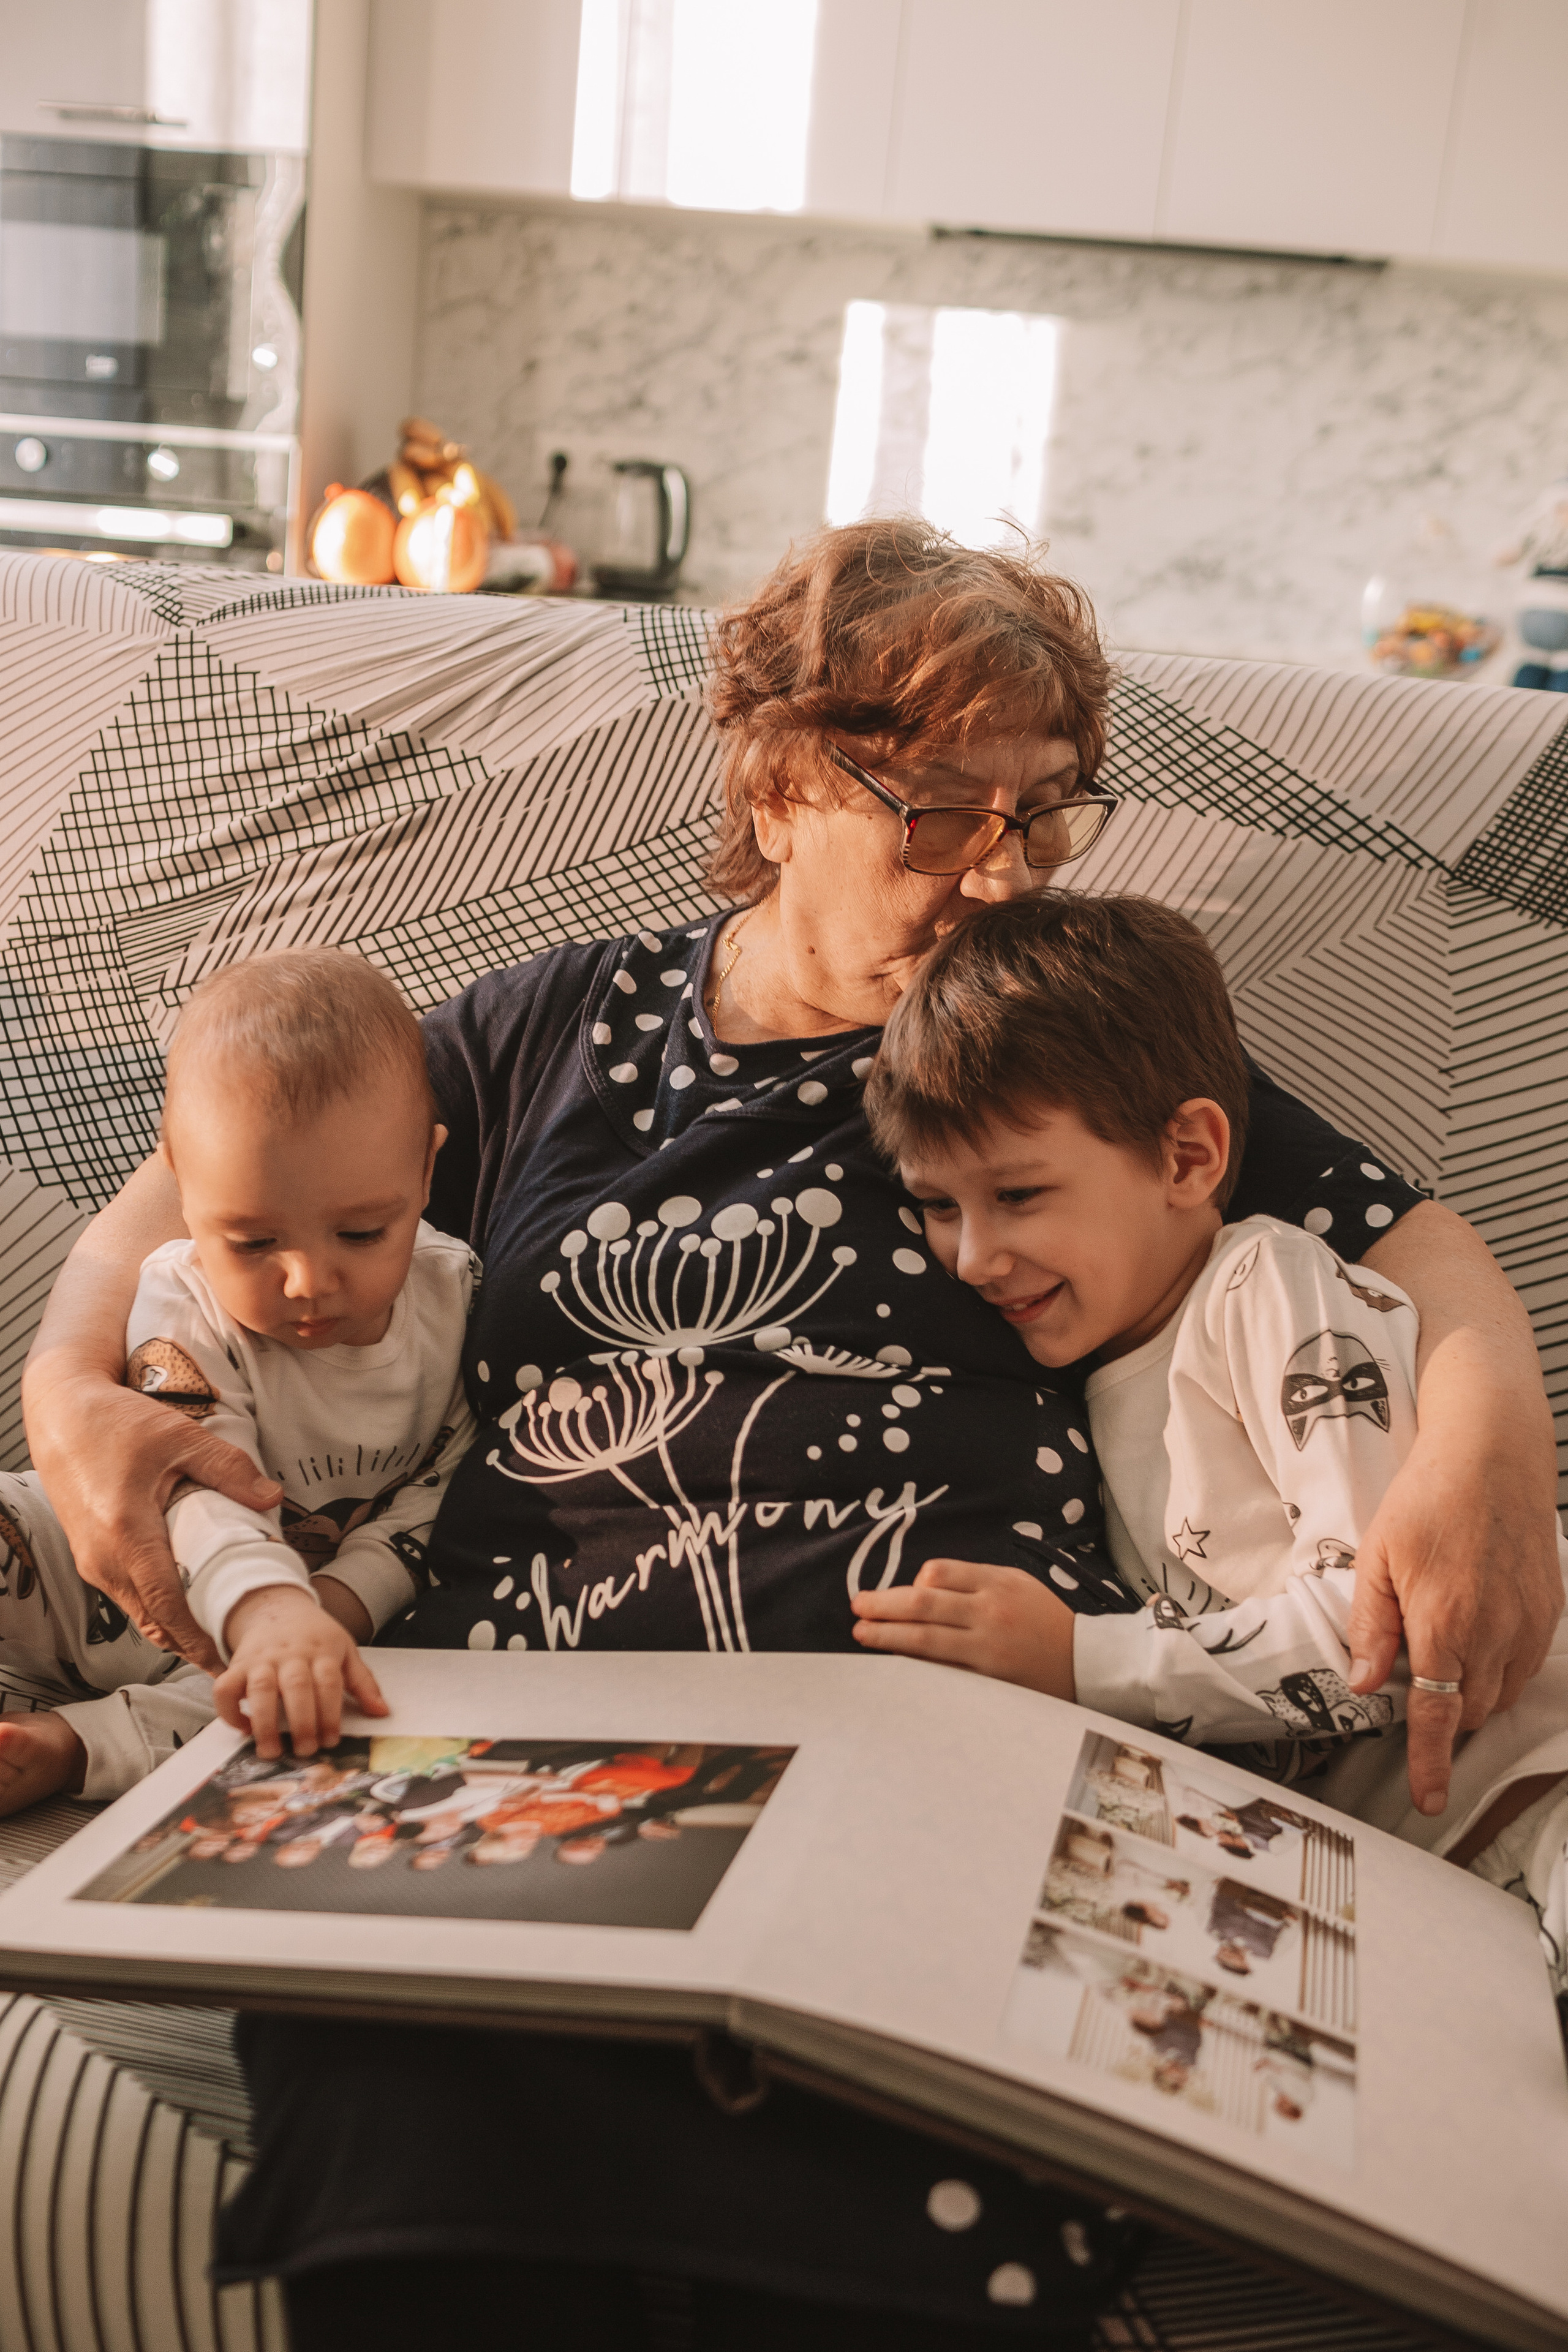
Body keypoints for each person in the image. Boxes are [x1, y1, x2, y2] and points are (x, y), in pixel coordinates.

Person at [20, 519, 1565, 2342]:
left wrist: (1488, 1448)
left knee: (891, 2220)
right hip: (522, 1742)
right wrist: (68, 1384)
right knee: (426, 2176)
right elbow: (210, 1166)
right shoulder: (556, 1032)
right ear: (772, 784)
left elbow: (1422, 1246)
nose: (996, 869)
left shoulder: (1049, 1030)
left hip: (942, 1745)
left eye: (1041, 810)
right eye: (935, 812)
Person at [854, 891, 1568, 1994]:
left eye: (1020, 1194)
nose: (975, 1256)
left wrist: (1080, 1659)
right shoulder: (1091, 1381)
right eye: (939, 1208)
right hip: (1451, 1878)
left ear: (1188, 1156)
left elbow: (1375, 1645)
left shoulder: (1265, 1289)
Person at [0, 949, 480, 1809]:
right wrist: (267, 1606)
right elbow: (192, 1475)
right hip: (91, 1561)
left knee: (304, 1702)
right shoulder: (180, 1295)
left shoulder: (461, 1299)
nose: (305, 1281)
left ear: (426, 1173)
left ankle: (69, 1748)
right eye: (253, 1243)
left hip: (306, 1609)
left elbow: (434, 1502)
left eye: (363, 1233)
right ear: (183, 1193)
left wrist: (324, 1614)